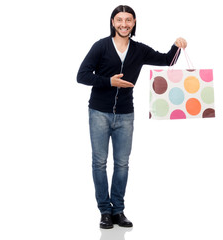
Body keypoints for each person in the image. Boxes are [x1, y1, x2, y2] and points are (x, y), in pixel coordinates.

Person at [77, 5, 187, 229]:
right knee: (99, 163)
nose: (124, 24)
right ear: (112, 22)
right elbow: (82, 75)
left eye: (128, 20)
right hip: (99, 112)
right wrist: (109, 81)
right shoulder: (101, 46)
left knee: (122, 164)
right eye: (119, 20)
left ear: (134, 23)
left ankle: (118, 210)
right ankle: (105, 211)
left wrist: (177, 45)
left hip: (126, 115)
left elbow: (167, 60)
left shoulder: (139, 50)